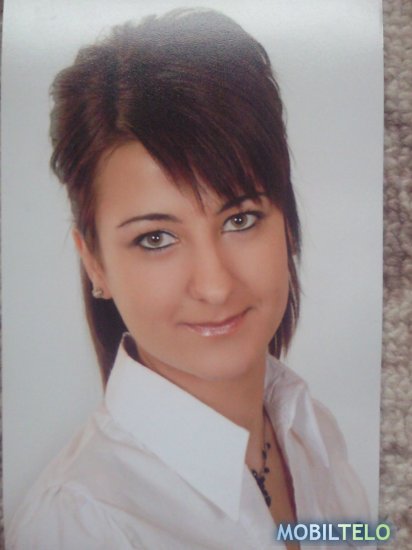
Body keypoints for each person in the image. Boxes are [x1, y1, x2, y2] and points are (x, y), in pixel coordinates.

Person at [9, 8, 369, 549]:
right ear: (95, 264)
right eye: (156, 238)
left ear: (287, 223)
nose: (216, 285)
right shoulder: (80, 525)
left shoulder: (310, 428)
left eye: (240, 219)